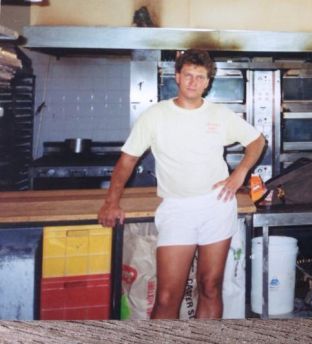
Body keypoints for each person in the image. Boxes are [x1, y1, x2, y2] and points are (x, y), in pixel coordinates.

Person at [98, 49, 265, 319]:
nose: (193, 82)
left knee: (210, 287)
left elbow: (257, 141)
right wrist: (111, 203)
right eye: (188, 75)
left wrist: (240, 173)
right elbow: (126, 161)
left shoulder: (220, 114)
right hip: (177, 210)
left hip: (217, 206)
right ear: (177, 76)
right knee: (166, 297)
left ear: (208, 82)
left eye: (200, 77)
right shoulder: (155, 115)